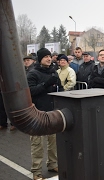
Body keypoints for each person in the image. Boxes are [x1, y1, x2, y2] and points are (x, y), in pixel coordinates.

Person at [27, 48, 62, 180]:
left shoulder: (53, 71)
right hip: (37, 114)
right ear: (40, 59)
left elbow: (58, 88)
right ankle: (36, 172)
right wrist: (46, 84)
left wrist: (57, 86)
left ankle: (52, 164)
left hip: (52, 112)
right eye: (46, 56)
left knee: (53, 141)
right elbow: (30, 91)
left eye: (49, 56)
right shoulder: (33, 73)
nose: (49, 58)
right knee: (38, 144)